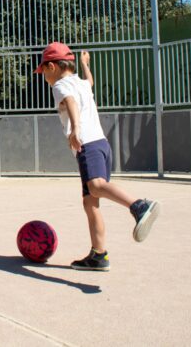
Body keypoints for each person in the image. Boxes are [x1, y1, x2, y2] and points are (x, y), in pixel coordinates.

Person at [34, 42, 160, 271]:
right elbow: (90, 82)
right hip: (102, 144)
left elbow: (71, 102)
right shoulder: (81, 83)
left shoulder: (60, 85)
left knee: (96, 186)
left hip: (88, 144)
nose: (44, 77)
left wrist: (75, 129)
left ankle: (139, 206)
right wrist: (85, 65)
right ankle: (98, 255)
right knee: (90, 203)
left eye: (43, 71)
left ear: (52, 66)